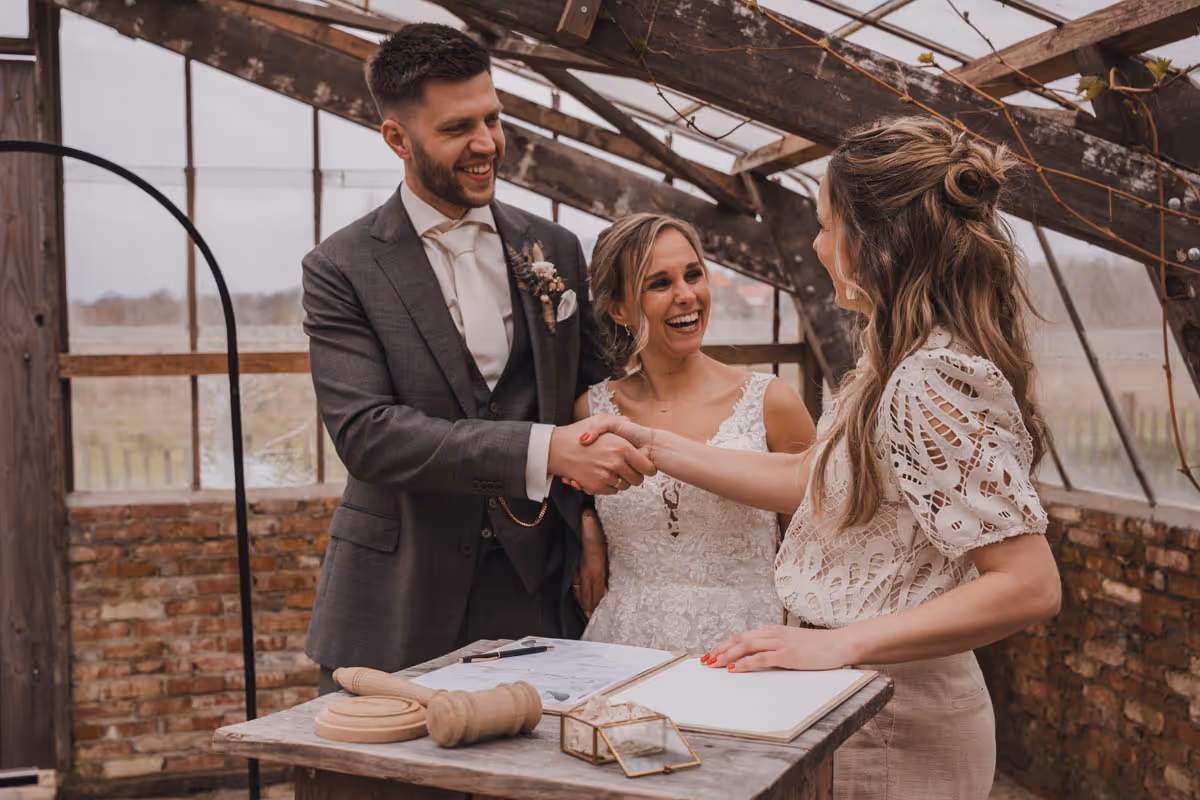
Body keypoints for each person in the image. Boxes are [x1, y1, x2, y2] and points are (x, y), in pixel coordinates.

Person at [581, 116, 1062, 799]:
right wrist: (654, 447)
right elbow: (810, 481)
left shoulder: (927, 379)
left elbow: (1029, 585)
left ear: (875, 241)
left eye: (826, 224)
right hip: (860, 697)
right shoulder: (888, 367)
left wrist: (838, 644)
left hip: (901, 712)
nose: (816, 243)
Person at [302, 24, 653, 693]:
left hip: (538, 588)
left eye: (493, 118)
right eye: (458, 127)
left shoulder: (554, 248)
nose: (488, 144)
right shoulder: (339, 268)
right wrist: (544, 450)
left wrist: (588, 520)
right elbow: (369, 436)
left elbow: (589, 401)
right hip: (398, 597)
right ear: (397, 139)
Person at [567, 214, 815, 652]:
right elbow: (569, 495)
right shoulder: (590, 412)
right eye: (659, 283)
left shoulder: (772, 404)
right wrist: (587, 525)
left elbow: (818, 544)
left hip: (746, 647)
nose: (687, 296)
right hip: (624, 646)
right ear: (618, 307)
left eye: (693, 274)